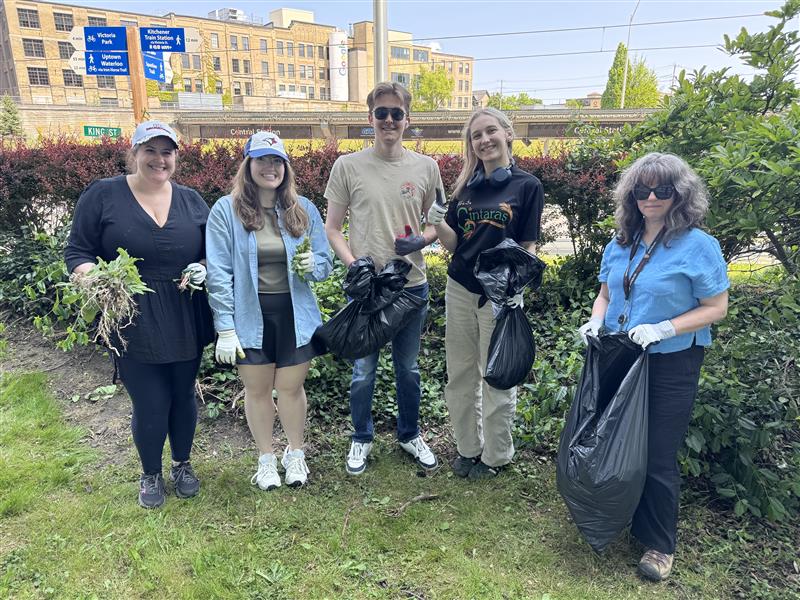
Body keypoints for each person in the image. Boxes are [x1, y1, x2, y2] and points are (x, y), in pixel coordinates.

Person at [578, 152, 729, 581]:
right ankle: (617, 513)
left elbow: (716, 307)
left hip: (671, 360)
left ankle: (659, 544)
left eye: (662, 189)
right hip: (622, 354)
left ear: (679, 195)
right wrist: (596, 320)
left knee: (658, 453)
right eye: (642, 189)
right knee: (615, 440)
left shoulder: (699, 245)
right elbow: (606, 294)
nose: (651, 197)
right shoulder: (620, 241)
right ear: (631, 195)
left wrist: (665, 328)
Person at [65, 120, 214, 509]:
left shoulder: (192, 200)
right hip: (130, 314)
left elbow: (215, 251)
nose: (159, 159)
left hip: (184, 311)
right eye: (150, 150)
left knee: (182, 395)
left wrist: (204, 265)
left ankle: (182, 464)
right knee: (149, 400)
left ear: (176, 158)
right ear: (134, 153)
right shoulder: (103, 195)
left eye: (167, 152)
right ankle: (151, 472)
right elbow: (77, 252)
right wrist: (98, 278)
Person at [324, 82, 444, 475]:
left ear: (408, 120)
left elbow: (436, 225)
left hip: (411, 288)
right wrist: (353, 263)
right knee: (363, 371)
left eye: (396, 113)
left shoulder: (426, 168)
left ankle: (410, 434)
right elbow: (333, 229)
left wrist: (420, 240)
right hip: (368, 293)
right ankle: (361, 438)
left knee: (408, 370)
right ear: (370, 119)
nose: (389, 120)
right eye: (381, 113)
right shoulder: (347, 167)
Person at [206, 131, 332, 490]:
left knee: (291, 389)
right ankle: (265, 459)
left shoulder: (303, 209)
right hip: (250, 317)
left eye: (277, 160)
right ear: (248, 165)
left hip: (294, 316)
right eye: (262, 159)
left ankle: (295, 454)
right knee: (258, 391)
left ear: (286, 168)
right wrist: (225, 327)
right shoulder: (225, 211)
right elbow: (219, 271)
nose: (270, 167)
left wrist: (313, 264)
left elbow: (325, 263)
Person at [426, 108, 544, 479]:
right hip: (460, 289)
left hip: (500, 296)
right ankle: (467, 449)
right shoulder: (465, 187)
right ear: (471, 144)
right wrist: (436, 220)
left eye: (491, 131)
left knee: (496, 377)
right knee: (460, 376)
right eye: (476, 135)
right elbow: (454, 244)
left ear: (507, 134)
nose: (484, 140)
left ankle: (496, 457)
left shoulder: (527, 186)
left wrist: (513, 288)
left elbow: (529, 245)